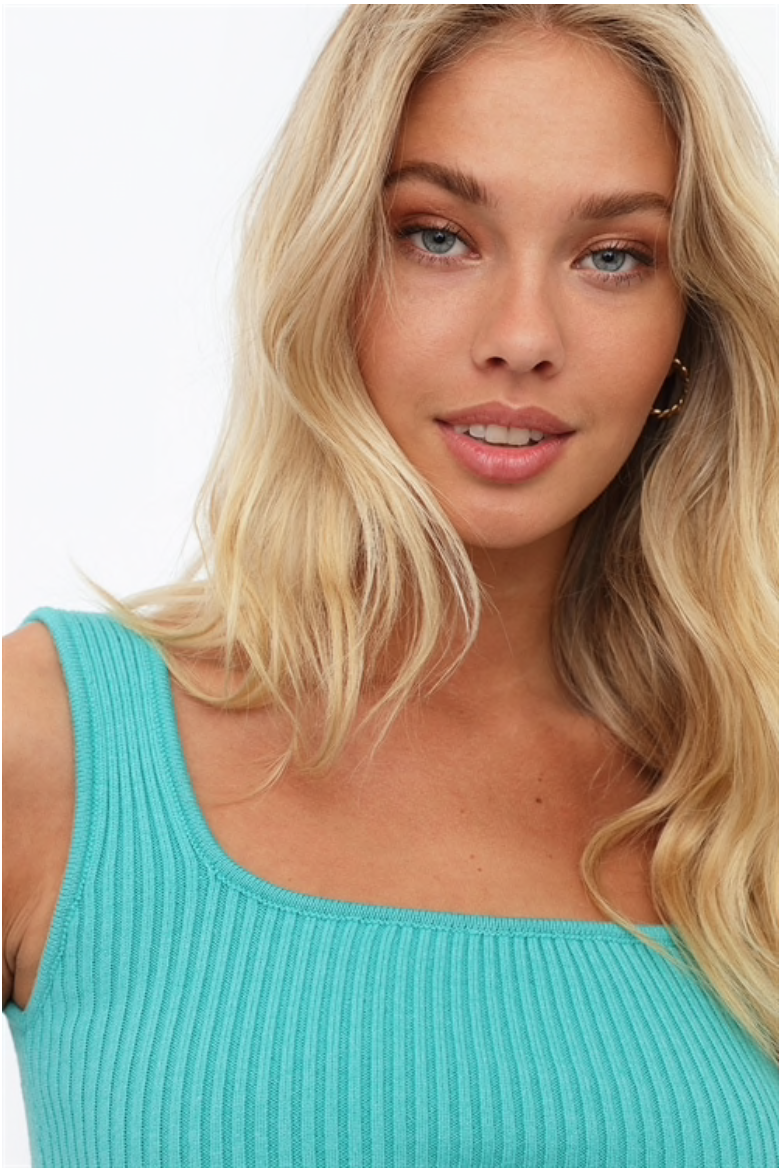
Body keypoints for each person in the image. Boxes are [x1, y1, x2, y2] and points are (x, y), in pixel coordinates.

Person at [3, 5, 777, 1166]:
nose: (521, 335)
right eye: (438, 236)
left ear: (688, 328)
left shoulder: (748, 799)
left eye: (611, 256)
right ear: (334, 264)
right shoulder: (48, 746)